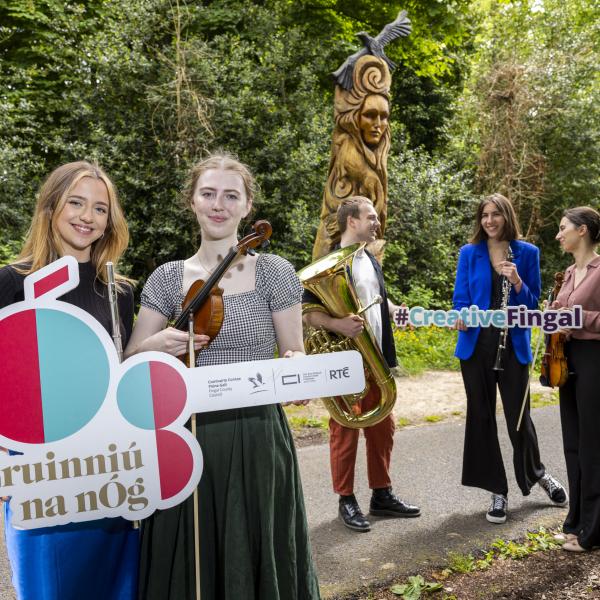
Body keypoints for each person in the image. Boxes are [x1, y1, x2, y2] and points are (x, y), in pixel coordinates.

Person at [125, 152, 321, 599]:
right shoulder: (167, 278)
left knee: (255, 546)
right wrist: (156, 347)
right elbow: (131, 357)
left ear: (247, 206)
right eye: (208, 193)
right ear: (192, 201)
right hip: (186, 434)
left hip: (256, 433)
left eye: (231, 195)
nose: (219, 204)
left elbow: (294, 350)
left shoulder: (275, 272)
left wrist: (295, 369)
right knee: (190, 555)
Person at [0, 161, 138, 599]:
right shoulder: (10, 282)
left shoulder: (119, 291)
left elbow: (122, 375)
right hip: (37, 463)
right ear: (51, 206)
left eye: (100, 209)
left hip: (107, 464)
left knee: (116, 585)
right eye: (76, 203)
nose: (87, 217)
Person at [303, 195, 420, 533]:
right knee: (346, 430)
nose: (376, 222)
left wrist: (396, 310)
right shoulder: (325, 263)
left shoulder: (368, 258)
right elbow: (308, 313)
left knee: (383, 426)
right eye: (370, 216)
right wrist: (337, 324)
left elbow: (375, 299)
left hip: (375, 356)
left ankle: (381, 494)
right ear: (351, 221)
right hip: (345, 359)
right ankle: (346, 499)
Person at [452, 192, 567, 524]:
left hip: (511, 344)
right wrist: (461, 314)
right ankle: (497, 491)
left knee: (520, 418)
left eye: (495, 214)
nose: (489, 221)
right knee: (482, 416)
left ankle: (538, 474)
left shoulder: (527, 252)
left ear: (507, 216)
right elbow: (460, 298)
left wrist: (516, 281)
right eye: (484, 215)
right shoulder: (469, 253)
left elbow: (532, 305)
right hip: (476, 346)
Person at [552, 206, 600, 552]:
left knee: (593, 446)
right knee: (572, 443)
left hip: (594, 358)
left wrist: (577, 319)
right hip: (566, 360)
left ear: (583, 230)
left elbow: (586, 318)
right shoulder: (568, 273)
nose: (559, 234)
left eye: (563, 227)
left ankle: (594, 532)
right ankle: (576, 524)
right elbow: (563, 314)